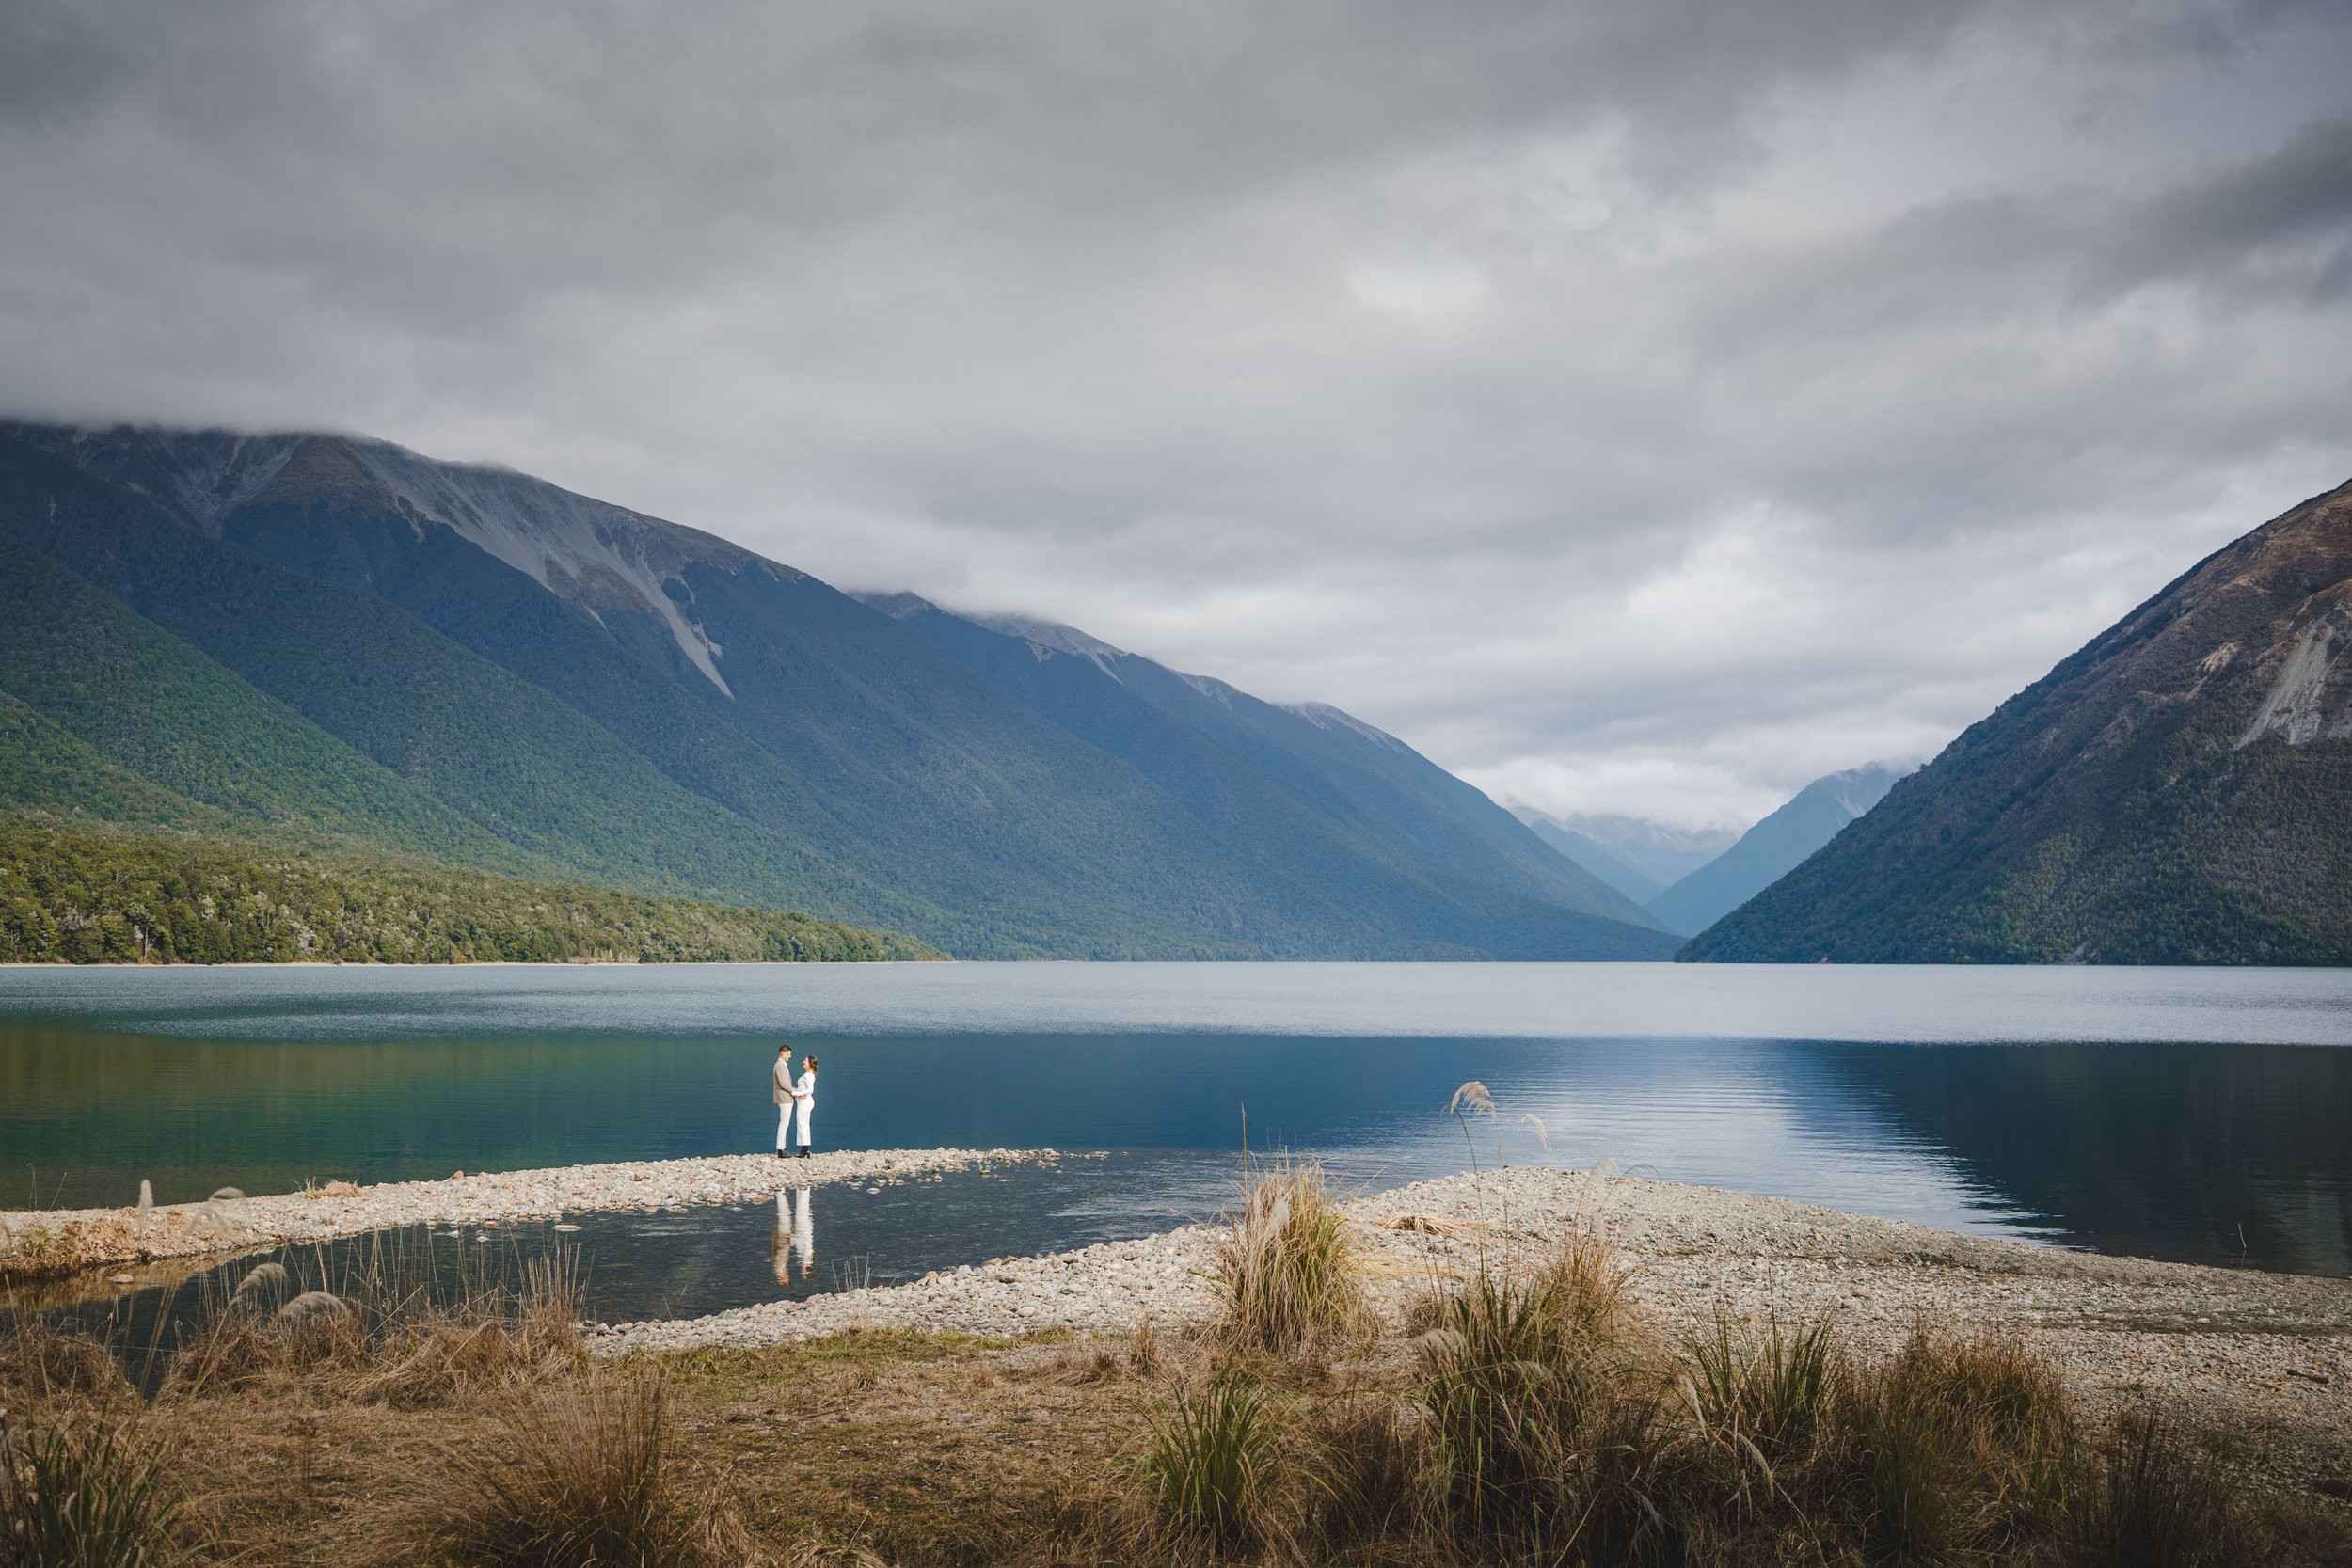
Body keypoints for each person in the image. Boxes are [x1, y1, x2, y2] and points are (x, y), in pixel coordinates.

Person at [771, 1044, 796, 1159]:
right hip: (785, 1098)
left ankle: (782, 1147)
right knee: (784, 1123)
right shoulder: (780, 1066)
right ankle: (781, 1149)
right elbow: (784, 1084)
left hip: (785, 1098)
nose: (790, 1056)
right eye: (789, 1054)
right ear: (784, 1053)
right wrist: (797, 1092)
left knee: (784, 1123)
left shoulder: (780, 1065)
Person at [790, 1054, 818, 1157]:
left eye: (805, 1061)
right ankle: (805, 1148)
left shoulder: (808, 1076)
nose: (803, 1062)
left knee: (802, 1124)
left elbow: (810, 1090)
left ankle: (804, 1149)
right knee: (804, 1124)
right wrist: (795, 1091)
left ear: (810, 1064)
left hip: (805, 1102)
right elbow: (803, 1088)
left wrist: (797, 1094)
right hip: (805, 1102)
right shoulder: (808, 1074)